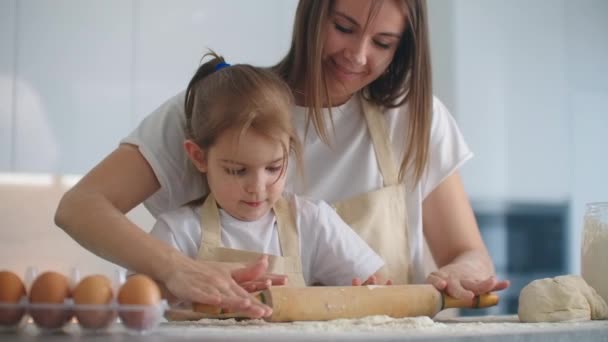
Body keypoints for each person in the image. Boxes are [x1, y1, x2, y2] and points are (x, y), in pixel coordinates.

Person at [55, 0, 509, 318]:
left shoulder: (413, 119)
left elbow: (468, 254)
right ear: (311, 14)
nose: (358, 54)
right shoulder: (218, 107)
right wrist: (179, 270)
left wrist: (462, 275)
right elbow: (81, 207)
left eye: (385, 42)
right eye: (344, 28)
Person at [150, 52, 386, 308]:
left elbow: (376, 285)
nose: (257, 187)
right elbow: (140, 301)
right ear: (199, 157)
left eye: (274, 168)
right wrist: (179, 291)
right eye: (237, 170)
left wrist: (364, 293)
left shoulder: (311, 221)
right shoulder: (178, 233)